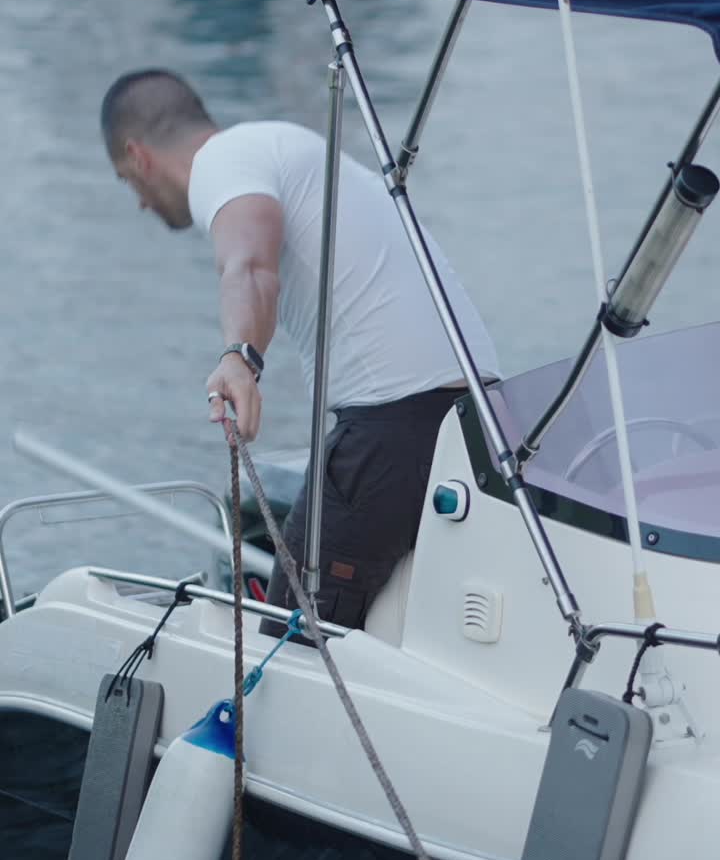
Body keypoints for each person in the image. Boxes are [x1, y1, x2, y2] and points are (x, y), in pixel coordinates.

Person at [100, 68, 500, 631]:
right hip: (474, 418)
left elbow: (251, 266)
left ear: (138, 156)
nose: (140, 203)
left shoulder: (225, 162)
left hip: (395, 424)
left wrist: (239, 356)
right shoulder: (281, 145)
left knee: (290, 647)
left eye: (126, 181)